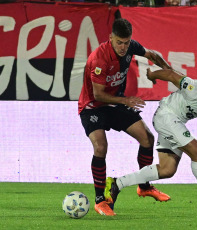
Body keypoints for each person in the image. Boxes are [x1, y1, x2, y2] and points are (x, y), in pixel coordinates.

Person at [105, 68, 197, 215]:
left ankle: (117, 184)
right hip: (165, 115)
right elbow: (170, 75)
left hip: (176, 123)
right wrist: (151, 75)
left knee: (167, 169)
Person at [78, 18, 172, 216]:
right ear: (110, 37)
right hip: (92, 107)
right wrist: (127, 100)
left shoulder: (131, 47)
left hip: (115, 103)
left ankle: (144, 186)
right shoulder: (99, 59)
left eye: (126, 43)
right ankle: (99, 200)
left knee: (147, 138)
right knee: (100, 147)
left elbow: (153, 55)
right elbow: (98, 95)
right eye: (119, 42)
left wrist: (168, 71)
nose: (122, 47)